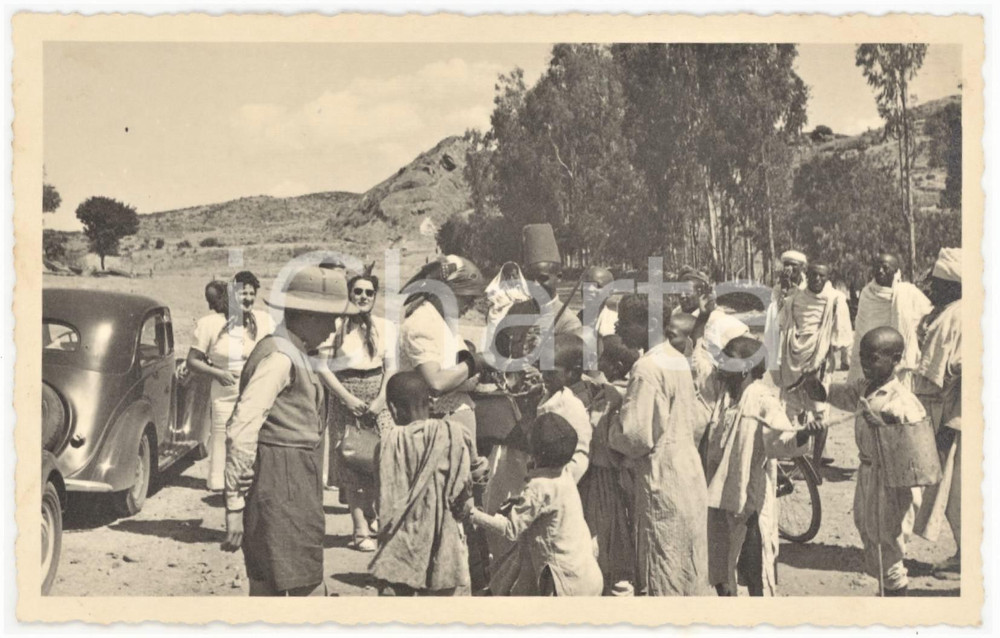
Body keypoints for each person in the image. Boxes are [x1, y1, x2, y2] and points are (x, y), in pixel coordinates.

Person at [221, 265, 359, 596]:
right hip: (282, 481)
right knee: (300, 582)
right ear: (308, 316)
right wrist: (233, 505)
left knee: (273, 580)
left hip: (290, 477)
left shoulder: (294, 351)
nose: (334, 327)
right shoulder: (281, 357)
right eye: (330, 318)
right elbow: (242, 427)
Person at [397, 254, 491, 591]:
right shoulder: (422, 323)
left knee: (460, 520)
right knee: (444, 522)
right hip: (437, 437)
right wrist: (476, 364)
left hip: (456, 436)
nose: (469, 306)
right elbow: (435, 382)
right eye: (466, 298)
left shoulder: (440, 321)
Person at [608, 293, 709, 596]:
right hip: (689, 476)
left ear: (649, 324)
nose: (619, 329)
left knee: (661, 575)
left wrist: (611, 422)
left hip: (661, 483)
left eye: (625, 322)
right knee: (687, 570)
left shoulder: (646, 368)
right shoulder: (677, 358)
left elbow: (635, 438)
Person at [702, 337, 817, 597]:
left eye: (727, 357)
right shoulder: (724, 394)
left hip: (748, 495)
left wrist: (802, 433)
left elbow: (782, 439)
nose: (720, 363)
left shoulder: (762, 399)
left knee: (753, 565)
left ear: (744, 368)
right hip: (719, 494)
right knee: (721, 562)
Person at [827, 327, 934, 596]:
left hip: (892, 483)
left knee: (889, 542)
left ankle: (896, 594)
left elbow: (918, 444)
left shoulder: (902, 401)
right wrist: (817, 388)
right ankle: (887, 589)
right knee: (868, 530)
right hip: (868, 474)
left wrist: (886, 426)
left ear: (896, 359)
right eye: (862, 356)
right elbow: (843, 395)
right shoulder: (865, 387)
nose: (865, 363)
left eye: (873, 358)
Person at [483, 333, 592, 591]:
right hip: (534, 486)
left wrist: (552, 482)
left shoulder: (571, 408)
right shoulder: (548, 396)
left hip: (552, 492)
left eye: (552, 372)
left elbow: (580, 455)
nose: (544, 377)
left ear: (572, 374)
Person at [470, 412, 604, 596]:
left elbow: (510, 530)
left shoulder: (538, 487)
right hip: (585, 574)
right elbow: (550, 503)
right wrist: (520, 500)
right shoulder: (564, 474)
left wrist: (472, 515)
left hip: (563, 583)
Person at [369, 372, 474, 596]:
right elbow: (465, 491)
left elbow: (381, 499)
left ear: (393, 409)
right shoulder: (453, 435)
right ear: (430, 402)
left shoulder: (387, 444)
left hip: (400, 545)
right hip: (444, 543)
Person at [318, 269, 397, 552]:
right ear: (349, 294)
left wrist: (381, 400)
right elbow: (322, 367)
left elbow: (392, 368)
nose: (363, 297)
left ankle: (374, 515)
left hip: (378, 399)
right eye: (358, 291)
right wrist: (346, 398)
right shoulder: (335, 326)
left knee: (379, 460)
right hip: (345, 398)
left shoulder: (385, 327)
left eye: (369, 292)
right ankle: (359, 528)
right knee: (351, 461)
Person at [187, 271, 275, 491]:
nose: (246, 298)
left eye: (251, 294)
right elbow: (192, 361)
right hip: (225, 392)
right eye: (241, 294)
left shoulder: (264, 320)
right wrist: (218, 373)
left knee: (255, 436)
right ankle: (221, 485)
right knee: (223, 436)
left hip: (257, 391)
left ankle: (253, 485)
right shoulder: (210, 324)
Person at [912, 247, 963, 580]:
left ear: (954, 286)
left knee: (958, 490)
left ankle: (970, 558)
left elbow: (963, 371)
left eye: (939, 283)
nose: (932, 288)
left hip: (955, 416)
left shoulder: (961, 316)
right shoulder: (943, 312)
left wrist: (951, 425)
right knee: (950, 493)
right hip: (938, 408)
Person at [578, 336, 640, 594]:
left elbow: (599, 432)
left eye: (602, 357)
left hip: (604, 478)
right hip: (609, 477)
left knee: (605, 533)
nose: (597, 361)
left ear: (614, 365)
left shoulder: (613, 397)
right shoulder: (622, 392)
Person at [777, 262, 853, 466]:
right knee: (791, 413)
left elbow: (842, 336)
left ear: (828, 277)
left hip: (819, 366)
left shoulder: (836, 301)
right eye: (813, 275)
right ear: (806, 275)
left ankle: (816, 464)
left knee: (820, 413)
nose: (817, 279)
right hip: (794, 363)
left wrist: (832, 356)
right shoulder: (794, 300)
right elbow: (782, 324)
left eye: (821, 275)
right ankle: (798, 462)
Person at [848, 253, 933, 388]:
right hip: (870, 359)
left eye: (885, 268)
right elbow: (861, 330)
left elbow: (929, 314)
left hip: (898, 361)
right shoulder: (866, 293)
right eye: (877, 267)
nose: (880, 270)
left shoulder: (908, 292)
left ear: (895, 271)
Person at [678, 267, 750, 405]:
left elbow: (751, 351)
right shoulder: (678, 322)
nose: (681, 296)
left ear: (701, 294)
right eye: (678, 291)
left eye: (686, 291)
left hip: (715, 403)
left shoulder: (721, 321)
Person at [522, 223, 583, 339]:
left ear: (558, 277)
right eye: (530, 279)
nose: (535, 284)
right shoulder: (519, 312)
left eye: (542, 278)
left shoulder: (568, 323)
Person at [763, 250, 808, 371]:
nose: (789, 268)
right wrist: (784, 289)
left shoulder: (807, 286)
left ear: (801, 268)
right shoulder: (779, 287)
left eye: (794, 265)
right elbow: (776, 312)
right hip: (785, 334)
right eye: (786, 264)